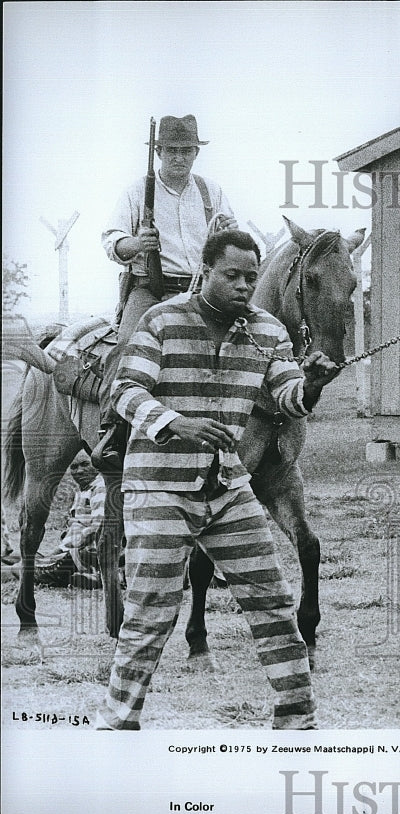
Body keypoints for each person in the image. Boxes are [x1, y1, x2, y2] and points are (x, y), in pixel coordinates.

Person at [96, 229, 340, 730]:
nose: (244, 286)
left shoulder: (268, 331)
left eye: (252, 277)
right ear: (205, 272)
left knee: (273, 600)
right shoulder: (160, 320)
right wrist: (176, 422)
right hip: (160, 487)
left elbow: (288, 396)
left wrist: (311, 385)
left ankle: (298, 721)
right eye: (232, 275)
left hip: (228, 488)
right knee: (150, 614)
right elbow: (123, 388)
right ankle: (117, 724)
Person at [94, 114, 237, 470]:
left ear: (195, 153)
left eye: (186, 150)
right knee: (128, 347)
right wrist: (135, 243)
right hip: (152, 290)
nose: (179, 157)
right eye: (171, 150)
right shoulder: (136, 191)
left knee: (248, 340)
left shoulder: (211, 192)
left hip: (202, 291)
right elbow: (111, 241)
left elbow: (230, 236)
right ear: (158, 152)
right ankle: (113, 430)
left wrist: (228, 235)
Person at [23, 455, 105, 590]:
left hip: (89, 551)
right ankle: (86, 575)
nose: (79, 471)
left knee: (30, 571)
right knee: (31, 561)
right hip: (78, 550)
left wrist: (62, 550)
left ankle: (92, 574)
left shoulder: (100, 487)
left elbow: (98, 527)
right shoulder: (83, 490)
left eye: (85, 464)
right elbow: (76, 526)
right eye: (73, 467)